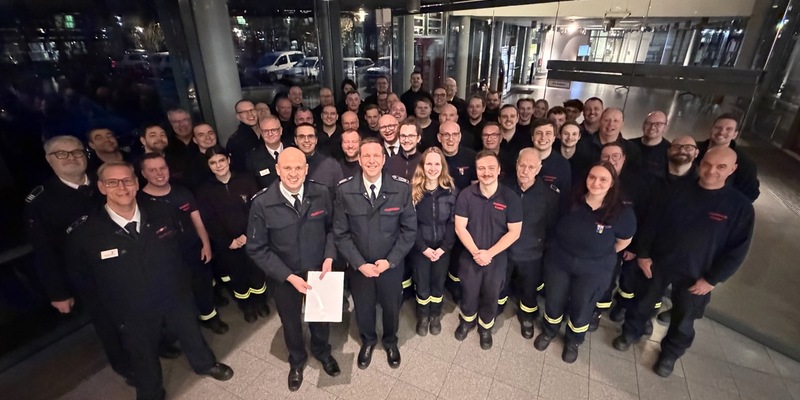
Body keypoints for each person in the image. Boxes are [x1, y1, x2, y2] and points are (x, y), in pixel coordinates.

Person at [65, 161, 233, 400]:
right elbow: (82, 277)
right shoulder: (87, 232)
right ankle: (151, 393)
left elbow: (180, 248)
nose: (122, 187)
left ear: (136, 183)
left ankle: (205, 364)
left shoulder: (161, 212)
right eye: (113, 182)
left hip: (174, 293)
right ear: (102, 187)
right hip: (131, 305)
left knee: (191, 333)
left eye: (127, 181)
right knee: (142, 353)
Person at [612, 147, 755, 377]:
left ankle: (670, 353)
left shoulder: (739, 207)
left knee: (684, 318)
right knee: (642, 303)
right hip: (658, 262)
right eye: (708, 164)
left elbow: (737, 250)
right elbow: (651, 223)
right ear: (700, 162)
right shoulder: (675, 191)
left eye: (721, 167)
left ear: (733, 169)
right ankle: (630, 333)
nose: (712, 171)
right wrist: (644, 254)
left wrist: (712, 279)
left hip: (698, 272)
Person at [25, 136, 131, 381]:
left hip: (126, 262)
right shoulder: (41, 201)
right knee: (108, 324)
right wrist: (58, 292)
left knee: (137, 310)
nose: (72, 157)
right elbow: (44, 251)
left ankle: (154, 346)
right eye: (62, 154)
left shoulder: (104, 181)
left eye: (76, 151)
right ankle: (125, 365)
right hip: (90, 276)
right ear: (49, 160)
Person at [246, 147, 341, 391]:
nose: (293, 173)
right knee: (290, 322)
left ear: (306, 169)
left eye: (298, 167)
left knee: (321, 319)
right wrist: (288, 276)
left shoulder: (320, 193)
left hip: (317, 271)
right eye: (287, 168)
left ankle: (322, 352)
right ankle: (297, 360)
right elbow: (257, 248)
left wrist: (329, 257)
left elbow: (332, 229)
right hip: (283, 275)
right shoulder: (262, 203)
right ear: (277, 169)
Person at [534, 161, 635, 363]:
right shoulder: (571, 199)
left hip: (594, 268)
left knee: (583, 306)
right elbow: (554, 222)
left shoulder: (621, 211)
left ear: (612, 183)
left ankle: (573, 340)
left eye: (603, 179)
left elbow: (625, 240)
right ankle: (549, 331)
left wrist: (600, 253)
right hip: (560, 261)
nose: (596, 182)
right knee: (554, 299)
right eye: (592, 177)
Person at [333, 137, 417, 370]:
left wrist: (390, 261)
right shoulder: (345, 190)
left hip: (390, 265)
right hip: (360, 267)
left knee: (391, 307)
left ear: (384, 159)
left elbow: (409, 230)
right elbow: (340, 234)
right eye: (366, 156)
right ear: (359, 159)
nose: (371, 160)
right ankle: (368, 341)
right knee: (363, 307)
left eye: (376, 156)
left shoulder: (401, 188)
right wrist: (359, 264)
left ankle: (390, 341)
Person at [138, 153, 228, 335]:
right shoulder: (140, 202)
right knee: (177, 295)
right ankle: (186, 328)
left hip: (194, 250)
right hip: (165, 259)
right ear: (143, 173)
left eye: (162, 168)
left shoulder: (182, 192)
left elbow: (197, 221)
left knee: (202, 286)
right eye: (152, 170)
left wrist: (206, 244)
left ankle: (209, 317)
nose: (159, 173)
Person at [453, 150, 522, 349]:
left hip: (496, 258)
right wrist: (476, 253)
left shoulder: (510, 197)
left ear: (499, 170)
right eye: (481, 168)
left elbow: (514, 232)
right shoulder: (466, 195)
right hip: (470, 255)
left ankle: (485, 328)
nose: (486, 172)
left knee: (492, 294)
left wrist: (488, 254)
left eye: (491, 168)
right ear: (476, 170)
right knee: (469, 291)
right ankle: (467, 320)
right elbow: (460, 227)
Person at [196, 147, 270, 322]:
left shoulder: (247, 180)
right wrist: (228, 241)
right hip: (227, 245)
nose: (218, 165)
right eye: (213, 163)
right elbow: (208, 220)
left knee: (256, 272)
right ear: (208, 166)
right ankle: (247, 306)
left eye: (221, 160)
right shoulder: (204, 190)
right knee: (237, 276)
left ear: (228, 160)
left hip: (252, 238)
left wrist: (247, 235)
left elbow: (258, 209)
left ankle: (260, 302)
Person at [500, 148, 559, 338]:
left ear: (539, 169)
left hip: (532, 253)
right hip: (504, 250)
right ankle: (496, 307)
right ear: (516, 165)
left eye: (531, 167)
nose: (525, 171)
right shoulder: (503, 186)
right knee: (500, 283)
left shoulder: (549, 195)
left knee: (528, 288)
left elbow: (551, 225)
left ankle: (526, 315)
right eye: (522, 165)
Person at [410, 147, 458, 336]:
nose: (433, 167)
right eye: (428, 163)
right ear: (422, 166)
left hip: (443, 250)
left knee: (438, 283)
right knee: (422, 283)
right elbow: (410, 224)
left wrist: (444, 248)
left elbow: (454, 223)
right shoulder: (413, 191)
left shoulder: (451, 192)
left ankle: (435, 315)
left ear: (442, 166)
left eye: (437, 163)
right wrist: (423, 248)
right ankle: (423, 315)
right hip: (420, 248)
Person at [437, 121, 477, 302]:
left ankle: (454, 285)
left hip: (463, 217)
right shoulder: (433, 157)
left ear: (460, 136)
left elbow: (476, 190)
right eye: (446, 135)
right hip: (438, 216)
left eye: (454, 135)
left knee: (458, 255)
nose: (450, 139)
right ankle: (438, 284)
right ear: (439, 137)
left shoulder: (471, 157)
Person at [696, 113, 760, 202]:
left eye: (728, 129)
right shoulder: (693, 149)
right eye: (718, 127)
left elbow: (749, 194)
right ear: (711, 129)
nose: (722, 132)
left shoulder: (745, 162)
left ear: (735, 134)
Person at [294, 123, 344, 191]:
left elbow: (341, 195)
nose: (306, 140)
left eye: (310, 136)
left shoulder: (332, 165)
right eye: (302, 136)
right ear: (295, 140)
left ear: (316, 140)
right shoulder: (286, 165)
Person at [531, 118, 572, 197]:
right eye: (539, 133)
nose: (543, 137)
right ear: (532, 137)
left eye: (548, 133)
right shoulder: (521, 160)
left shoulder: (563, 164)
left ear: (554, 138)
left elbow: (565, 196)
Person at [246, 116, 284, 189]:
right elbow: (253, 186)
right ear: (261, 133)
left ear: (281, 130)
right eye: (266, 131)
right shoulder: (252, 158)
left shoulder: (294, 150)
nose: (270, 134)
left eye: (274, 130)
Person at [227, 100, 262, 172]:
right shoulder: (235, 141)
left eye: (252, 110)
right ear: (238, 117)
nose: (250, 114)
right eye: (245, 112)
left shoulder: (266, 131)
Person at [633, 111, 671, 178]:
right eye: (648, 123)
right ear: (643, 125)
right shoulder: (629, 145)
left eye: (658, 124)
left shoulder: (670, 151)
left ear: (665, 128)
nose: (652, 127)